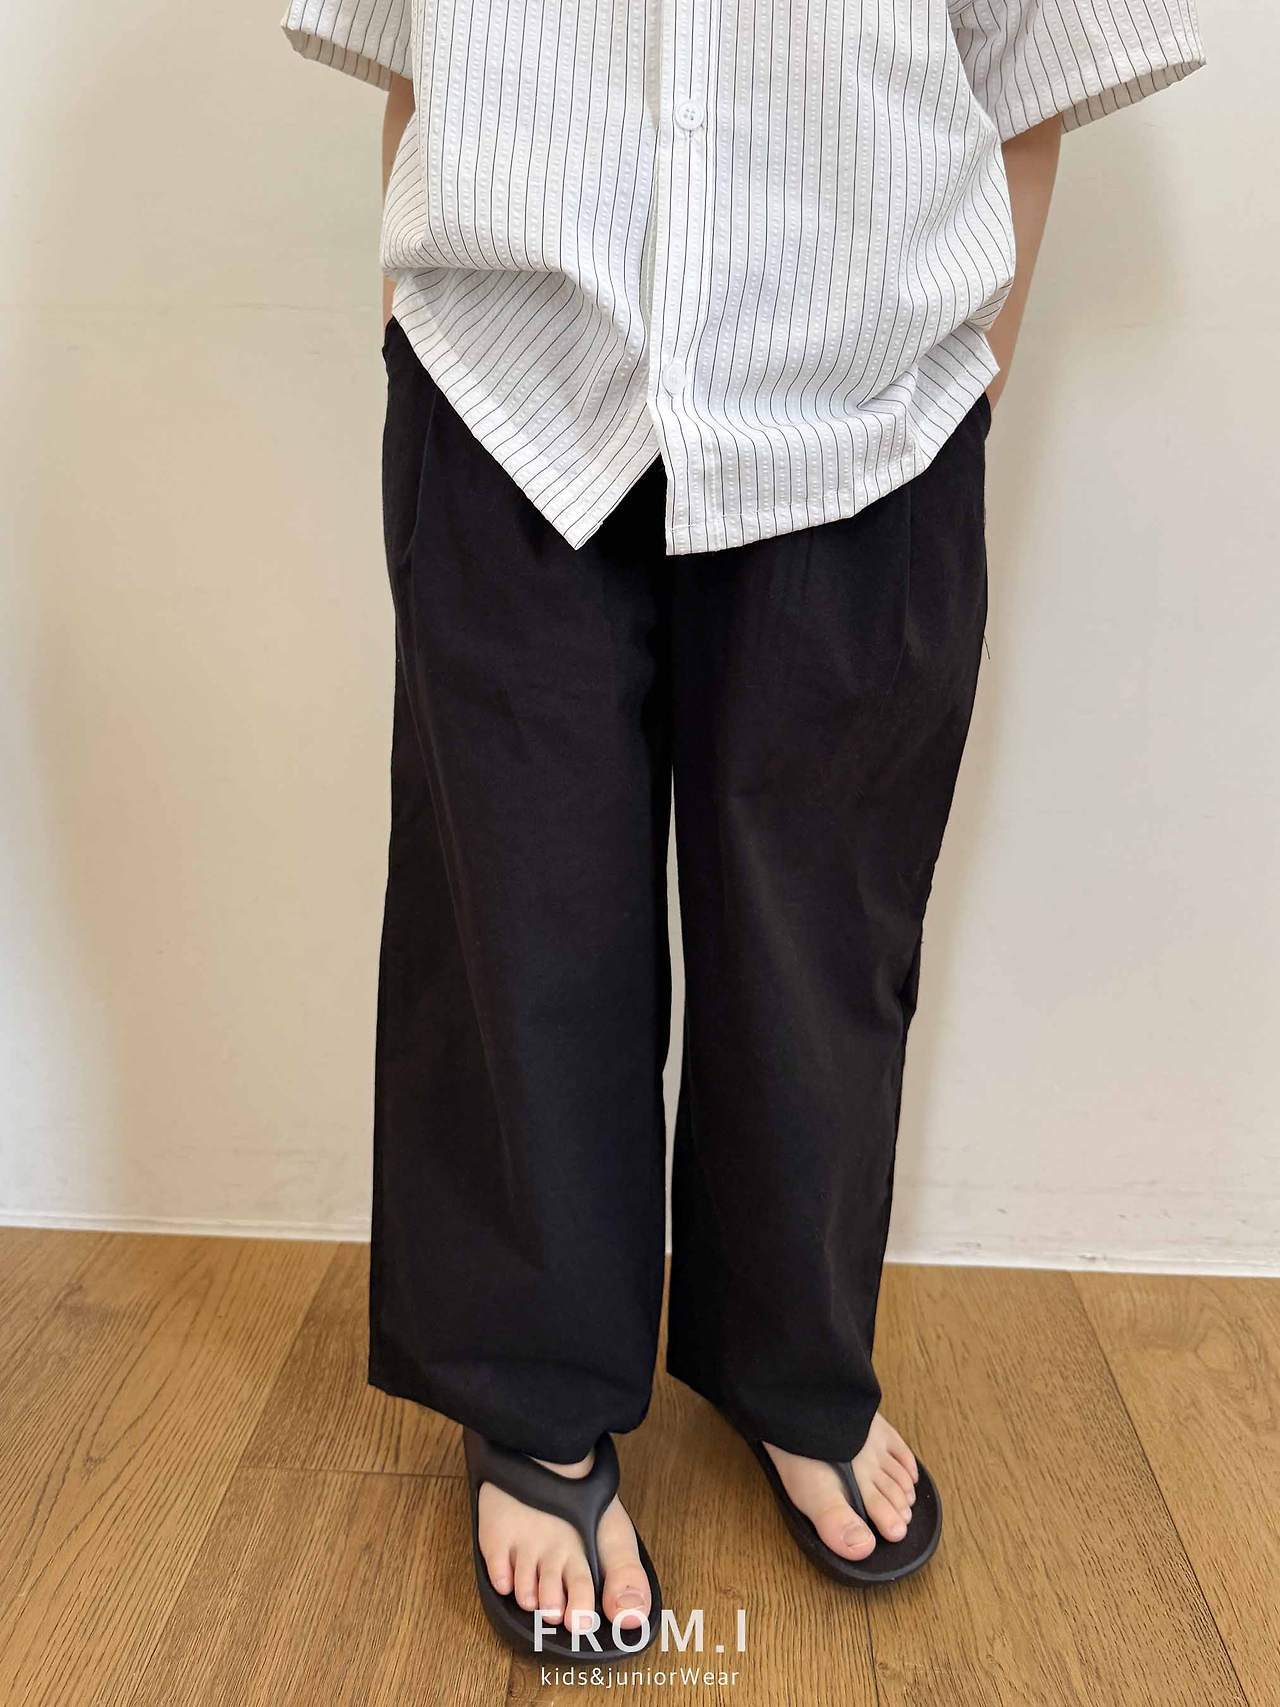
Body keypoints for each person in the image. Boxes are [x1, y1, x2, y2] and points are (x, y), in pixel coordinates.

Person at [282, 0, 1204, 1661]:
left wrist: (968, 386)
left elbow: (1034, 66)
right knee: (519, 909)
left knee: (821, 925)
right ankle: (534, 1396)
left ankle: (793, 1355)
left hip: (869, 399)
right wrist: (419, 326)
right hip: (508, 376)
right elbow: (416, 54)